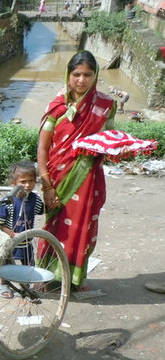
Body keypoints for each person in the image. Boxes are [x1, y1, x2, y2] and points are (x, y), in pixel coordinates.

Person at [37, 51, 117, 291]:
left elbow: (109, 139)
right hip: (59, 177)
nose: (81, 80)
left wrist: (117, 149)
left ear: (95, 76)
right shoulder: (57, 107)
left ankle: (73, 278)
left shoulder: (105, 106)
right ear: (68, 75)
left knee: (81, 227)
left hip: (88, 178)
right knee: (56, 225)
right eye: (77, 74)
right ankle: (47, 275)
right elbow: (42, 148)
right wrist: (47, 185)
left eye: (88, 75)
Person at [0, 161, 45, 298]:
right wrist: (12, 234)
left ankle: (26, 287)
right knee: (5, 263)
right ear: (13, 183)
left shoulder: (35, 200)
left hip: (26, 241)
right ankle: (5, 285)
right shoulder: (6, 202)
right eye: (23, 182)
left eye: (31, 181)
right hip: (9, 241)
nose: (27, 185)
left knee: (28, 265)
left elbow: (43, 210)